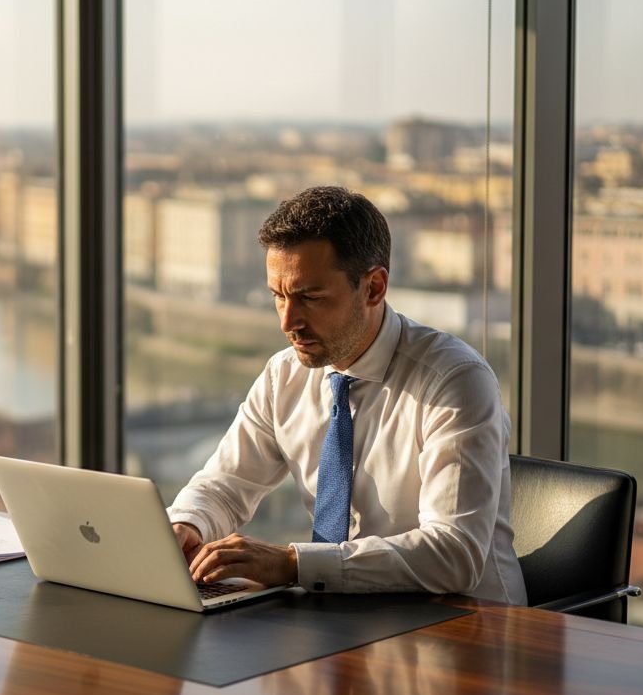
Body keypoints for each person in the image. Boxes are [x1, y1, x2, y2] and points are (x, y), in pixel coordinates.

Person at [167, 186, 526, 604]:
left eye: (310, 297)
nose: (288, 321)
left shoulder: (455, 381)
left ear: (374, 287)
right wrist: (187, 525)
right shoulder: (283, 376)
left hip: (467, 622)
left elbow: (454, 554)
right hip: (342, 617)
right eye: (278, 296)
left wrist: (294, 563)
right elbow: (224, 485)